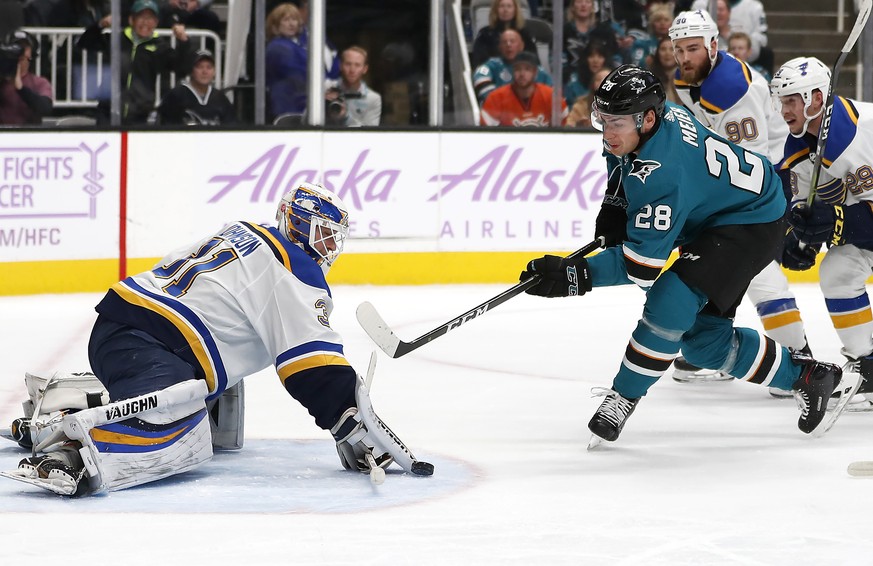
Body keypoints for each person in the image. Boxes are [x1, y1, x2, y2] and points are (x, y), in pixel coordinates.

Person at [2, 182, 433, 496]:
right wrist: (351, 419)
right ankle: (67, 453)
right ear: (299, 224)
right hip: (147, 341)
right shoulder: (295, 265)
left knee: (210, 401)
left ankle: (68, 404)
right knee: (181, 430)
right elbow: (310, 365)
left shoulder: (243, 229)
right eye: (324, 233)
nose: (329, 247)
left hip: (126, 326)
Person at [519, 65, 846, 444]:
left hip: (751, 220)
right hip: (717, 214)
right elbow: (623, 164)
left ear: (648, 118)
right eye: (603, 120)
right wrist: (614, 206)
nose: (608, 133)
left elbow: (641, 268)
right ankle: (807, 377)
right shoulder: (646, 126)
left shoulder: (664, 173)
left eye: (617, 123)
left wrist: (574, 276)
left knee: (669, 300)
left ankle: (622, 398)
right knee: (704, 344)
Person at [668, 9, 807, 387]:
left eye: (693, 48)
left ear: (714, 45)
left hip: (772, 179)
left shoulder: (733, 87)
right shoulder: (687, 78)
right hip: (733, 182)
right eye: (678, 49)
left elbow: (752, 164)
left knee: (756, 270)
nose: (684, 57)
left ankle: (798, 354)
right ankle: (717, 344)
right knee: (714, 266)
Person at [772, 57, 873, 409]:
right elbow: (804, 203)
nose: (784, 110)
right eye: (781, 101)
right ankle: (870, 370)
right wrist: (800, 237)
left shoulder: (855, 137)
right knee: (836, 273)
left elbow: (845, 217)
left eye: (790, 100)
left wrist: (838, 222)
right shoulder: (799, 143)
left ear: (816, 99)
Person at [76, 0, 192, 124]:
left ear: (156, 23)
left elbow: (181, 68)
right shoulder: (116, 39)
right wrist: (100, 25)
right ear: (132, 20)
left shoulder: (160, 47)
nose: (145, 23)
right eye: (141, 17)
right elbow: (84, 43)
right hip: (107, 111)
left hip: (139, 114)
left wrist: (184, 42)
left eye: (150, 18)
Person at [479, 51, 567, 127]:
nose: (522, 74)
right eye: (517, 69)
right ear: (512, 71)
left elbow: (565, 130)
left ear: (535, 72)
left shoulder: (551, 96)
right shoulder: (496, 98)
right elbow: (486, 134)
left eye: (527, 69)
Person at [473, 28, 552, 105]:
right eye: (504, 42)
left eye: (512, 41)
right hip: (500, 111)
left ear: (521, 46)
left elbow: (552, 94)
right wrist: (501, 102)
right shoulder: (492, 65)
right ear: (499, 47)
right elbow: (480, 80)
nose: (508, 45)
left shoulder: (535, 69)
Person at [158, 49, 236, 125]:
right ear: (191, 70)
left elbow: (231, 127)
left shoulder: (221, 98)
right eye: (200, 67)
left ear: (214, 72)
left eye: (209, 67)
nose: (204, 72)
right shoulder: (175, 96)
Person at [0, 30, 52, 125]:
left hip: (30, 136)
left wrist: (21, 89)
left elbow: (45, 108)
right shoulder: (2, 81)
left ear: (32, 53)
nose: (20, 52)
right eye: (16, 47)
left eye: (25, 48)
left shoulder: (40, 82)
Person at [562, 0, 621, 84]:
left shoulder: (605, 30)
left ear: (593, 6)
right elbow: (557, 60)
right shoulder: (564, 31)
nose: (583, 5)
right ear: (572, 6)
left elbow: (616, 56)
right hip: (572, 80)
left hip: (603, 78)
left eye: (587, 2)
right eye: (579, 2)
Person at [265, 2, 307, 117]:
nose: (291, 24)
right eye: (286, 20)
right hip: (287, 105)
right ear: (275, 25)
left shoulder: (298, 44)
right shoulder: (277, 47)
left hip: (301, 103)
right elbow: (296, 72)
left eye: (294, 19)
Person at [323, 46, 381, 127]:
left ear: (365, 69)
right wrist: (321, 103)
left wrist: (346, 117)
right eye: (348, 64)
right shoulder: (326, 87)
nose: (352, 70)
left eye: (357, 65)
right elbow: (306, 121)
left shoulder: (373, 98)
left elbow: (369, 133)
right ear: (340, 66)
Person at [470, 0, 537, 69]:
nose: (505, 10)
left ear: (515, 10)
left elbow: (534, 61)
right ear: (496, 10)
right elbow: (479, 63)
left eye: (509, 6)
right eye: (501, 6)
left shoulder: (524, 34)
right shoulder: (485, 34)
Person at [647, 36, 679, 103]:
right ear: (657, 53)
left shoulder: (686, 78)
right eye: (663, 49)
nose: (667, 53)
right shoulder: (649, 78)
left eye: (672, 49)